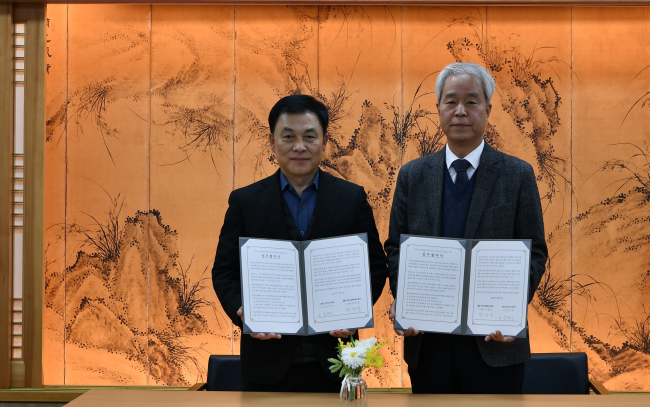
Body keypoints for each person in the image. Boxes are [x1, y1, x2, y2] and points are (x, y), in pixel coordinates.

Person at [384, 62, 548, 394]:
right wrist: (406, 300)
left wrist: (510, 311)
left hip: (495, 345)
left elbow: (535, 253)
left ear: (487, 110)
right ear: (438, 108)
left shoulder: (517, 175)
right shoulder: (413, 176)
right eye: (451, 101)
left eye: (471, 102)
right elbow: (396, 248)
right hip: (429, 344)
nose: (460, 111)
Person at [212, 94, 388, 392]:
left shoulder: (351, 198)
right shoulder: (245, 201)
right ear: (272, 142)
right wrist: (242, 310)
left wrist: (355, 312)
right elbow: (224, 271)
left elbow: (376, 267)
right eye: (288, 137)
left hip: (335, 361)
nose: (299, 147)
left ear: (324, 142)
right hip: (265, 361)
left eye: (309, 136)